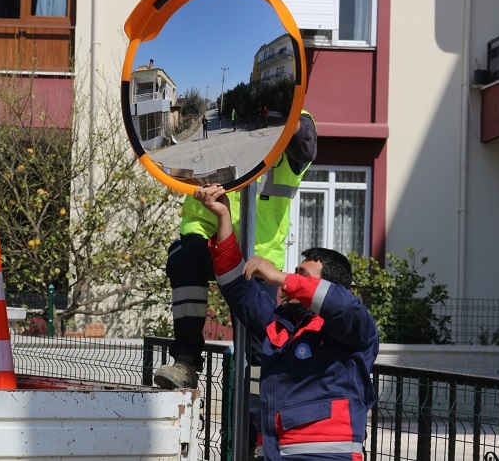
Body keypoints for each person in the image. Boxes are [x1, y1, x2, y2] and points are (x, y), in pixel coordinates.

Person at [194, 183, 379, 460]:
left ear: (330, 286)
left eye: (303, 276)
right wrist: (223, 218)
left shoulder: (350, 327)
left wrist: (279, 277)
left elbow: (343, 305)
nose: (293, 282)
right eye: (295, 274)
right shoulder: (279, 324)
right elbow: (236, 286)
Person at [154, 111, 317, 390]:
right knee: (186, 257)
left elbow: (306, 146)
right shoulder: (217, 109)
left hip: (259, 253)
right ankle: (186, 361)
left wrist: (285, 115)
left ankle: (257, 418)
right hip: (206, 232)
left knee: (260, 346)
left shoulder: (297, 117)